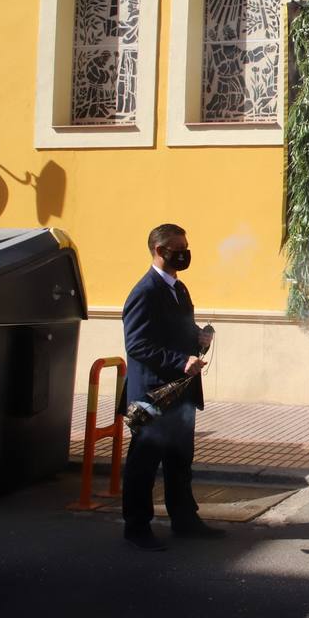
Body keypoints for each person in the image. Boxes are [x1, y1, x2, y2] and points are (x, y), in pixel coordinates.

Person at [121, 223, 223, 551]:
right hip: (154, 395)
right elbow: (137, 344)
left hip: (180, 393)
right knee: (144, 463)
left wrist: (198, 338)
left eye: (185, 246)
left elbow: (178, 330)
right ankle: (137, 527)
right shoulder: (145, 291)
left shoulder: (179, 289)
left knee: (180, 459)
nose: (184, 253)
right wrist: (180, 361)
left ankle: (185, 520)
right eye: (178, 248)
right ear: (160, 250)